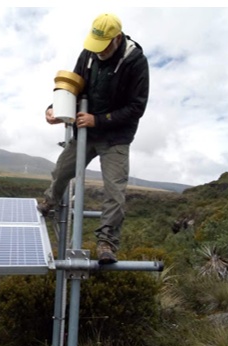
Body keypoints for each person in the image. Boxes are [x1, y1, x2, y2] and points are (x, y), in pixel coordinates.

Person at [38, 12, 150, 265]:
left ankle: (107, 242)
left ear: (117, 39)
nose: (97, 52)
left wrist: (97, 120)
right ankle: (50, 202)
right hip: (85, 131)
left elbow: (136, 107)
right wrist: (57, 108)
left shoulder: (136, 62)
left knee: (114, 191)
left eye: (103, 47)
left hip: (116, 136)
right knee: (63, 169)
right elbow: (74, 86)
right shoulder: (89, 52)